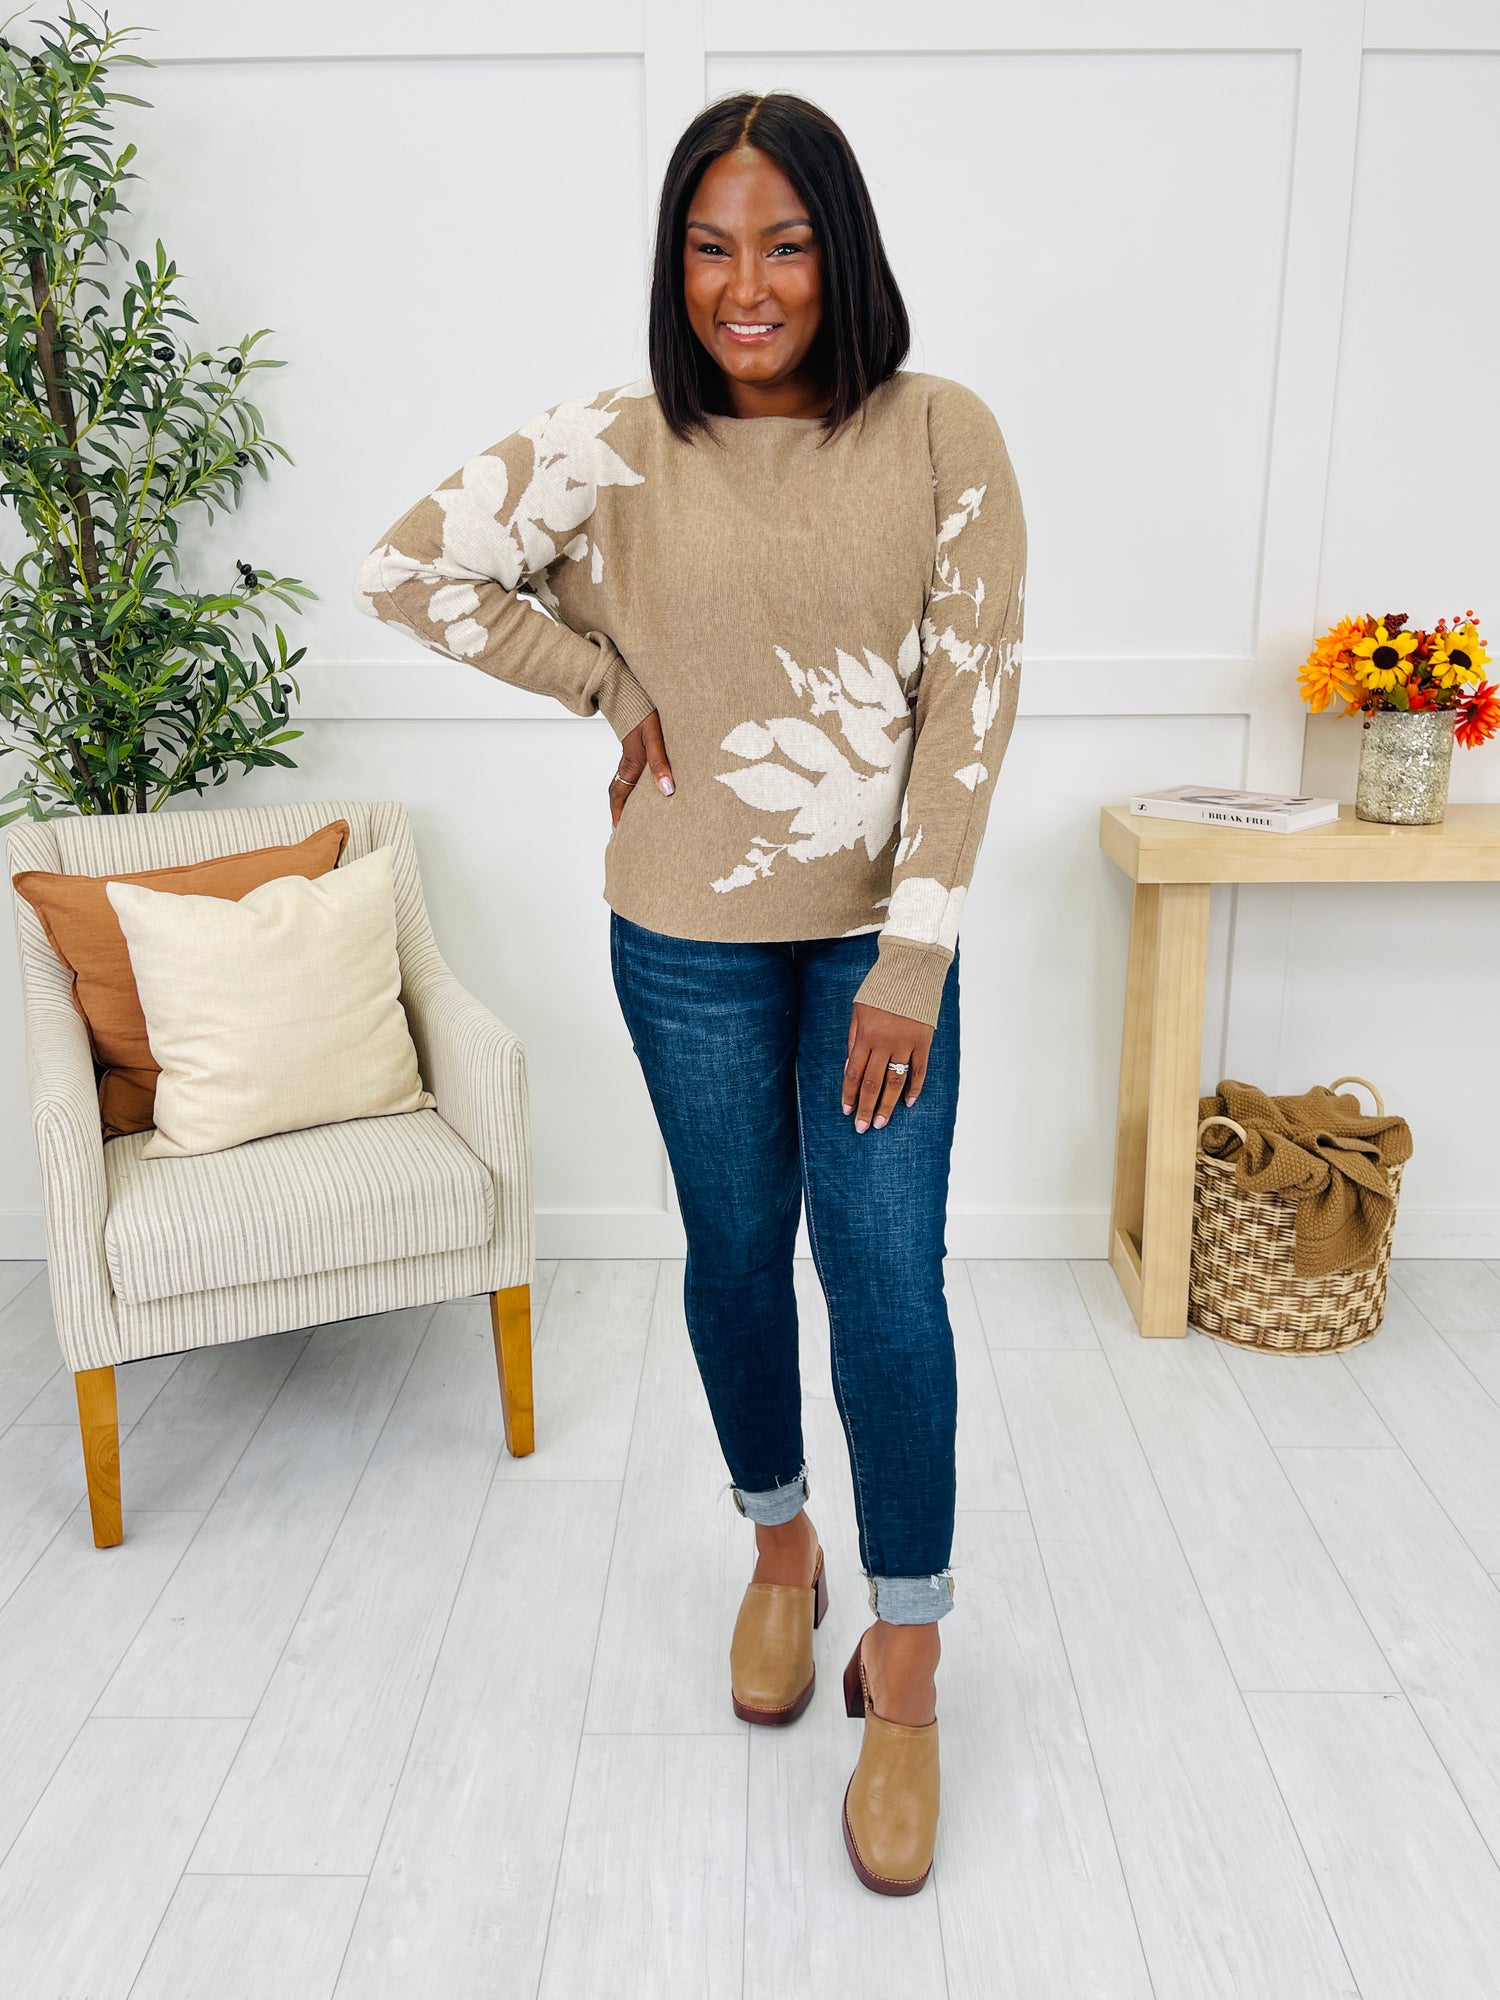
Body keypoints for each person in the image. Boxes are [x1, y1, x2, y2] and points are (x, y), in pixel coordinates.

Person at [355, 89, 1026, 1897]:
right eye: (711, 248)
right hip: (680, 934)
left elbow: (971, 704)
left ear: (841, 251)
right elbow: (408, 566)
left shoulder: (942, 433)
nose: (747, 286)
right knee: (734, 1256)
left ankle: (908, 1661)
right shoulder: (613, 443)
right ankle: (780, 1549)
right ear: (675, 264)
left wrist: (915, 956)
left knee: (887, 1281)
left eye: (785, 245)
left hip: (881, 949)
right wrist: (604, 685)